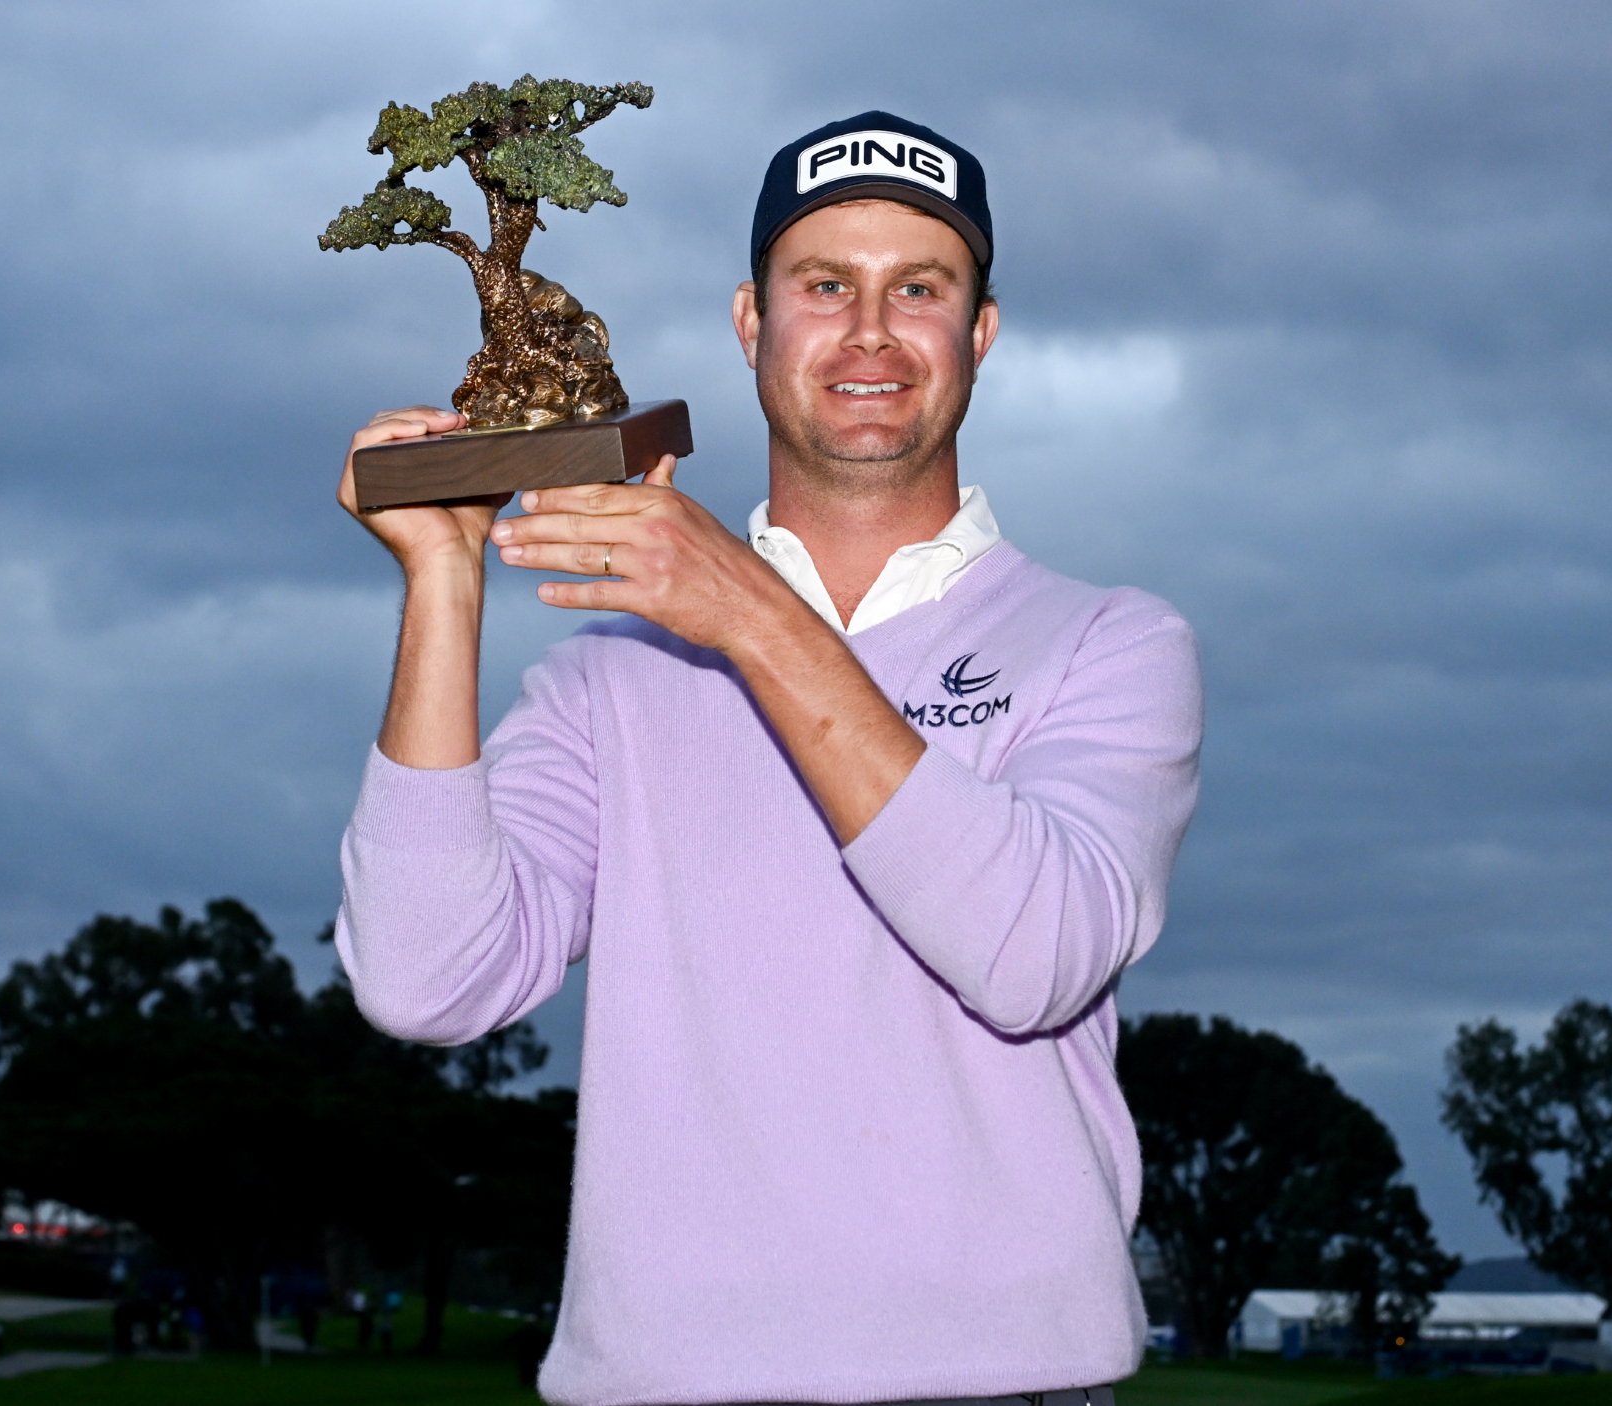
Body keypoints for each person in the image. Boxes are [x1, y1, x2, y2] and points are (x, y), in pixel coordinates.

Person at [334, 110, 1202, 1406]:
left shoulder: (1110, 643)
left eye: (919, 288)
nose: (868, 332)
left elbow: (1035, 956)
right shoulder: (607, 683)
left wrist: (743, 608)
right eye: (823, 287)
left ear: (981, 333)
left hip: (1009, 1385)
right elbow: (425, 979)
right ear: (752, 326)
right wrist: (446, 577)